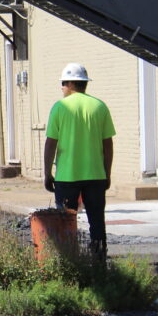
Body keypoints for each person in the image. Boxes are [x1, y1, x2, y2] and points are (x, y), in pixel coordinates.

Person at [43, 62, 116, 259]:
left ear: (69, 84)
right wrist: (107, 173)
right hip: (95, 175)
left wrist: (47, 173)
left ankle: (69, 261)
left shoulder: (60, 107)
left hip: (67, 177)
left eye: (62, 84)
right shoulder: (99, 106)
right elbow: (108, 144)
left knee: (66, 223)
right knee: (97, 221)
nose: (62, 88)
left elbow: (51, 143)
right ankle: (99, 261)